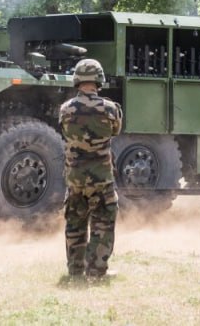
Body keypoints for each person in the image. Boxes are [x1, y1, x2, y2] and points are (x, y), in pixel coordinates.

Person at [58, 58, 123, 282]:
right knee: (103, 223)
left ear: (77, 79)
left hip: (75, 179)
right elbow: (115, 132)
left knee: (75, 223)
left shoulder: (66, 109)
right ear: (99, 80)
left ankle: (75, 271)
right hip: (102, 179)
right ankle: (96, 271)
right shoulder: (110, 109)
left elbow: (65, 133)